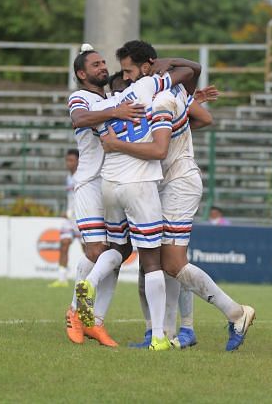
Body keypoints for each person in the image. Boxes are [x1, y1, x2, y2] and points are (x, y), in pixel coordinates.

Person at [99, 42, 256, 352]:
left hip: (179, 183)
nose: (125, 77)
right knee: (155, 262)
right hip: (164, 182)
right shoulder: (169, 95)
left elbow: (158, 149)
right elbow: (200, 115)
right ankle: (164, 332)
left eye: (129, 70)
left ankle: (235, 313)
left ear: (146, 68)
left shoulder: (161, 100)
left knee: (170, 263)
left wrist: (117, 146)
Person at [74, 40, 202, 351]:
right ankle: (158, 335)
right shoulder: (146, 86)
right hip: (139, 184)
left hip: (109, 185)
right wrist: (161, 66)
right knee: (152, 261)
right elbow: (188, 71)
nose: (125, 75)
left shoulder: (105, 106)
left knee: (117, 248)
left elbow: (98, 132)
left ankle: (90, 304)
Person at [63, 46, 144, 348]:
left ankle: (93, 321)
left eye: (102, 63)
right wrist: (115, 112)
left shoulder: (112, 98)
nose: (102, 67)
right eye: (95, 64)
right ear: (82, 74)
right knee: (97, 252)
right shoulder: (80, 97)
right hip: (89, 183)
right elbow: (79, 119)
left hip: (113, 182)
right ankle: (76, 312)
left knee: (118, 254)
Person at [49, 149, 81, 288]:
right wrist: (67, 212)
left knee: (89, 251)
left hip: (81, 219)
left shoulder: (82, 177)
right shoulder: (69, 177)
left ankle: (90, 280)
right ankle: (62, 279)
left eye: (71, 160)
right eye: (67, 160)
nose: (68, 163)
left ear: (78, 161)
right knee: (64, 244)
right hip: (69, 219)